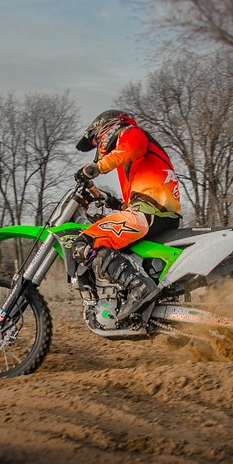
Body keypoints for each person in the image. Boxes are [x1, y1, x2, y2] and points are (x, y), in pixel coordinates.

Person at [71, 109, 182, 319]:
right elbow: (136, 197)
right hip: (155, 212)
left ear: (107, 128)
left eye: (97, 140)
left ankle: (139, 288)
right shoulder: (135, 163)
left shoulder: (131, 133)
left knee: (84, 244)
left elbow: (133, 146)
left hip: (149, 212)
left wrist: (96, 167)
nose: (98, 146)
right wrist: (112, 201)